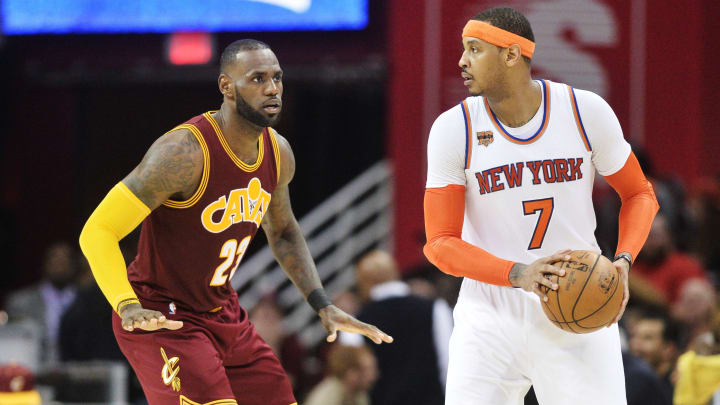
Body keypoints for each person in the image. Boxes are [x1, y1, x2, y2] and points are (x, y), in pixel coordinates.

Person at [78, 39, 392, 405]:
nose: (272, 88)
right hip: (164, 316)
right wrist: (126, 305)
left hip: (223, 314)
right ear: (226, 87)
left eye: (277, 78)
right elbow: (97, 231)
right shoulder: (184, 153)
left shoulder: (278, 152)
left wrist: (322, 303)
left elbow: (285, 232)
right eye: (257, 79)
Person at [423, 7, 659, 405]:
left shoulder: (585, 111)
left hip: (577, 302)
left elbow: (640, 194)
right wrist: (519, 273)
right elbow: (440, 243)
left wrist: (623, 261)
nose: (462, 61)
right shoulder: (453, 128)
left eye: (475, 49)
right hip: (489, 314)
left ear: (512, 55)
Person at [347, 250, 452, 405]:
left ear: (364, 282)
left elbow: (354, 377)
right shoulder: (435, 309)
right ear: (395, 272)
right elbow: (449, 363)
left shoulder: (357, 323)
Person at [6, 241, 79, 363]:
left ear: (74, 266)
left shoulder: (88, 302)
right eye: (55, 260)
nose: (60, 265)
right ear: (45, 264)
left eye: (65, 261)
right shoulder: (20, 302)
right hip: (33, 369)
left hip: (79, 371)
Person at [629, 310, 681, 402]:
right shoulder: (629, 382)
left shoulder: (678, 390)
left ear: (668, 349)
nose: (636, 344)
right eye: (634, 336)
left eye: (647, 338)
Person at [303, 345, 377, 405]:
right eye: (367, 370)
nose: (374, 376)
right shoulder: (328, 397)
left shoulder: (359, 395)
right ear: (351, 373)